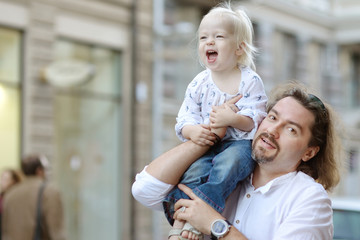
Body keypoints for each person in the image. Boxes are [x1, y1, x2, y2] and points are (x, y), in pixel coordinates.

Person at [132, 82, 341, 240]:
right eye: (272, 118)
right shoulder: (226, 171)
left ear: (309, 152)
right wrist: (209, 139)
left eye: (291, 129)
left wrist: (215, 224)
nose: (272, 131)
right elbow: (145, 190)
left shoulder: (310, 199)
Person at [162, 2, 267, 239]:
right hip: (208, 142)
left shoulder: (249, 80)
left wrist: (233, 118)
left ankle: (200, 216)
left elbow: (257, 118)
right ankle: (180, 216)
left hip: (238, 144)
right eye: (203, 38)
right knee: (193, 171)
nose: (209, 42)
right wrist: (192, 132)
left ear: (239, 48)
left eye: (219, 37)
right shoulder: (199, 83)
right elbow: (185, 117)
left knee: (227, 167)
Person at [2, 155, 66, 240]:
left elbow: (5, 231)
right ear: (39, 171)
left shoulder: (10, 194)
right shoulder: (50, 193)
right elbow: (56, 232)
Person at [0, 169, 23, 240]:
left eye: (5, 179)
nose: (1, 181)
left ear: (13, 181)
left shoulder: (17, 197)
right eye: (1, 178)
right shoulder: (2, 196)